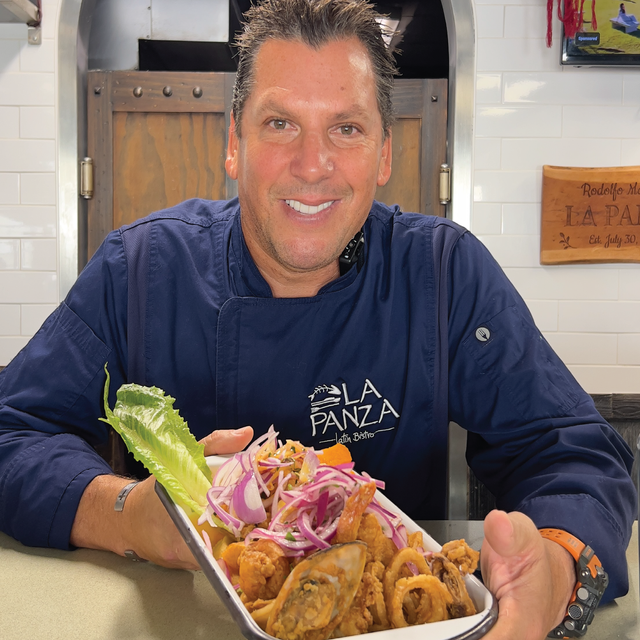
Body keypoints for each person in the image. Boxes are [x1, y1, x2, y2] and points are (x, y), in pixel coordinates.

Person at [0, 1, 635, 638]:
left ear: (383, 154)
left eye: (347, 129)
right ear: (233, 144)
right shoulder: (139, 268)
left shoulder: (444, 272)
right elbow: (12, 434)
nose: (312, 165)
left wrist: (558, 571)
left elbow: (573, 454)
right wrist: (127, 513)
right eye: (280, 123)